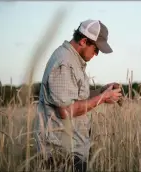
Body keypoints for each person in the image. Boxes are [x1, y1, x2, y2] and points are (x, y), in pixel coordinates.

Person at [33, 19, 123, 172]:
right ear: (83, 41)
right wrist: (102, 98)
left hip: (72, 150)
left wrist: (102, 92)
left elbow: (76, 99)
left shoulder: (73, 60)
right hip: (61, 153)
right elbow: (66, 111)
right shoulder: (65, 63)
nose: (97, 54)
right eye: (96, 49)